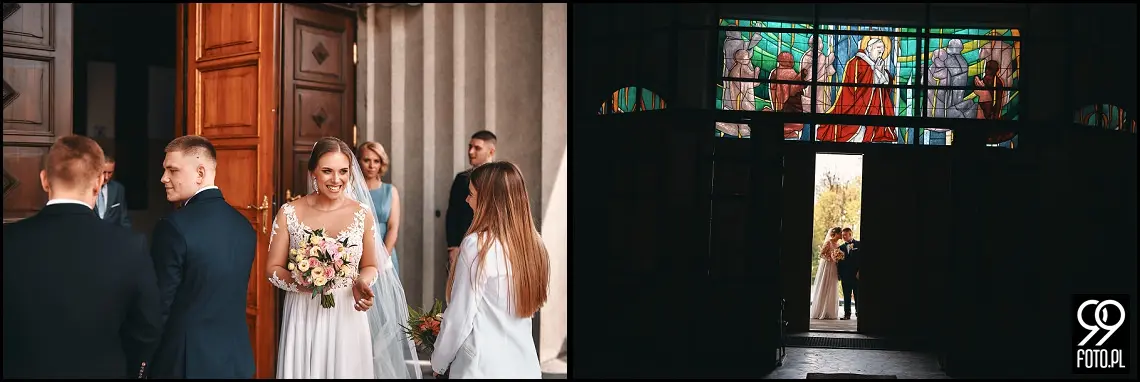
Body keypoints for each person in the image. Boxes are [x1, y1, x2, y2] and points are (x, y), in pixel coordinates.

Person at [3, 136, 162, 378]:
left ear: (44, 180)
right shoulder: (130, 246)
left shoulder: (9, 240)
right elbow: (147, 328)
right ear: (99, 183)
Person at [266, 137, 420, 379]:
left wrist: (362, 282)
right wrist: (302, 282)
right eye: (327, 171)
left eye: (343, 172)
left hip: (347, 310)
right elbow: (273, 268)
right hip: (304, 310)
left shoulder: (362, 213)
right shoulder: (289, 212)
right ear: (312, 173)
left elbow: (370, 265)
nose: (336, 180)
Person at [149, 136, 257, 378]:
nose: (163, 178)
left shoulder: (172, 227)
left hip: (186, 362)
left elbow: (159, 306)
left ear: (200, 173)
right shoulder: (244, 226)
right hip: (236, 360)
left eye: (172, 170)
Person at [432, 161, 550, 379]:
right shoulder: (535, 246)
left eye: (471, 194)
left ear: (489, 200)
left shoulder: (477, 245)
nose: (467, 200)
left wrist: (439, 362)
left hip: (482, 366)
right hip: (525, 366)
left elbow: (460, 316)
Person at [445, 130, 497, 271]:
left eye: (477, 148)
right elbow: (452, 214)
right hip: (464, 244)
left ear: (491, 151)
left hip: (494, 245)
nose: (471, 152)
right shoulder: (462, 179)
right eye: (470, 147)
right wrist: (453, 247)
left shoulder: (500, 179)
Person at [357, 141, 401, 277]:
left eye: (376, 161)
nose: (371, 165)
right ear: (358, 162)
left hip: (385, 253)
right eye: (367, 160)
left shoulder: (390, 191)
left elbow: (393, 227)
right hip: (357, 253)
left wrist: (382, 257)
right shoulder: (351, 191)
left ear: (382, 163)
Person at [809, 227, 842, 320]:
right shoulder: (829, 242)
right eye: (840, 233)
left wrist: (838, 258)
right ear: (836, 234)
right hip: (827, 267)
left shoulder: (838, 244)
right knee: (825, 286)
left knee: (832, 286)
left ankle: (829, 311)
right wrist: (830, 258)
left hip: (834, 267)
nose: (841, 235)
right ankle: (821, 310)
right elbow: (821, 254)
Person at [96, 153, 132, 229]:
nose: (106, 177)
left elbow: (123, 218)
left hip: (112, 236)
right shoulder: (87, 188)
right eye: (104, 172)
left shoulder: (118, 189)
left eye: (110, 173)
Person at [837, 228, 861, 320]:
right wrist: (839, 274)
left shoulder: (859, 244)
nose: (843, 237)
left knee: (857, 295)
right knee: (846, 295)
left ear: (850, 234)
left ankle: (859, 314)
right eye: (842, 235)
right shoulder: (841, 247)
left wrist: (859, 271)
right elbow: (840, 262)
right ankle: (847, 314)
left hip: (856, 275)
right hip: (845, 275)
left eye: (845, 235)